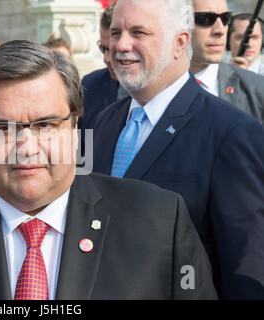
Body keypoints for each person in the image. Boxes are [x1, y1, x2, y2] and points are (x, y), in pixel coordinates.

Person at [0, 39, 217, 300]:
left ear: (74, 126)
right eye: (4, 127)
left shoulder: (158, 222)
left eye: (45, 124)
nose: (27, 147)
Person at [92, 0, 264, 299]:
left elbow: (246, 262)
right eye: (116, 32)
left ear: (179, 42)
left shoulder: (231, 132)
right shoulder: (105, 122)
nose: (120, 45)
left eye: (138, 33)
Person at [189, 0, 264, 124]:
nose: (220, 30)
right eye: (205, 19)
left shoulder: (258, 89)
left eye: (225, 19)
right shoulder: (150, 89)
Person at [80, 2, 128, 131]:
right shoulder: (90, 86)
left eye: (114, 50)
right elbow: (84, 146)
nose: (106, 59)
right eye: (103, 48)